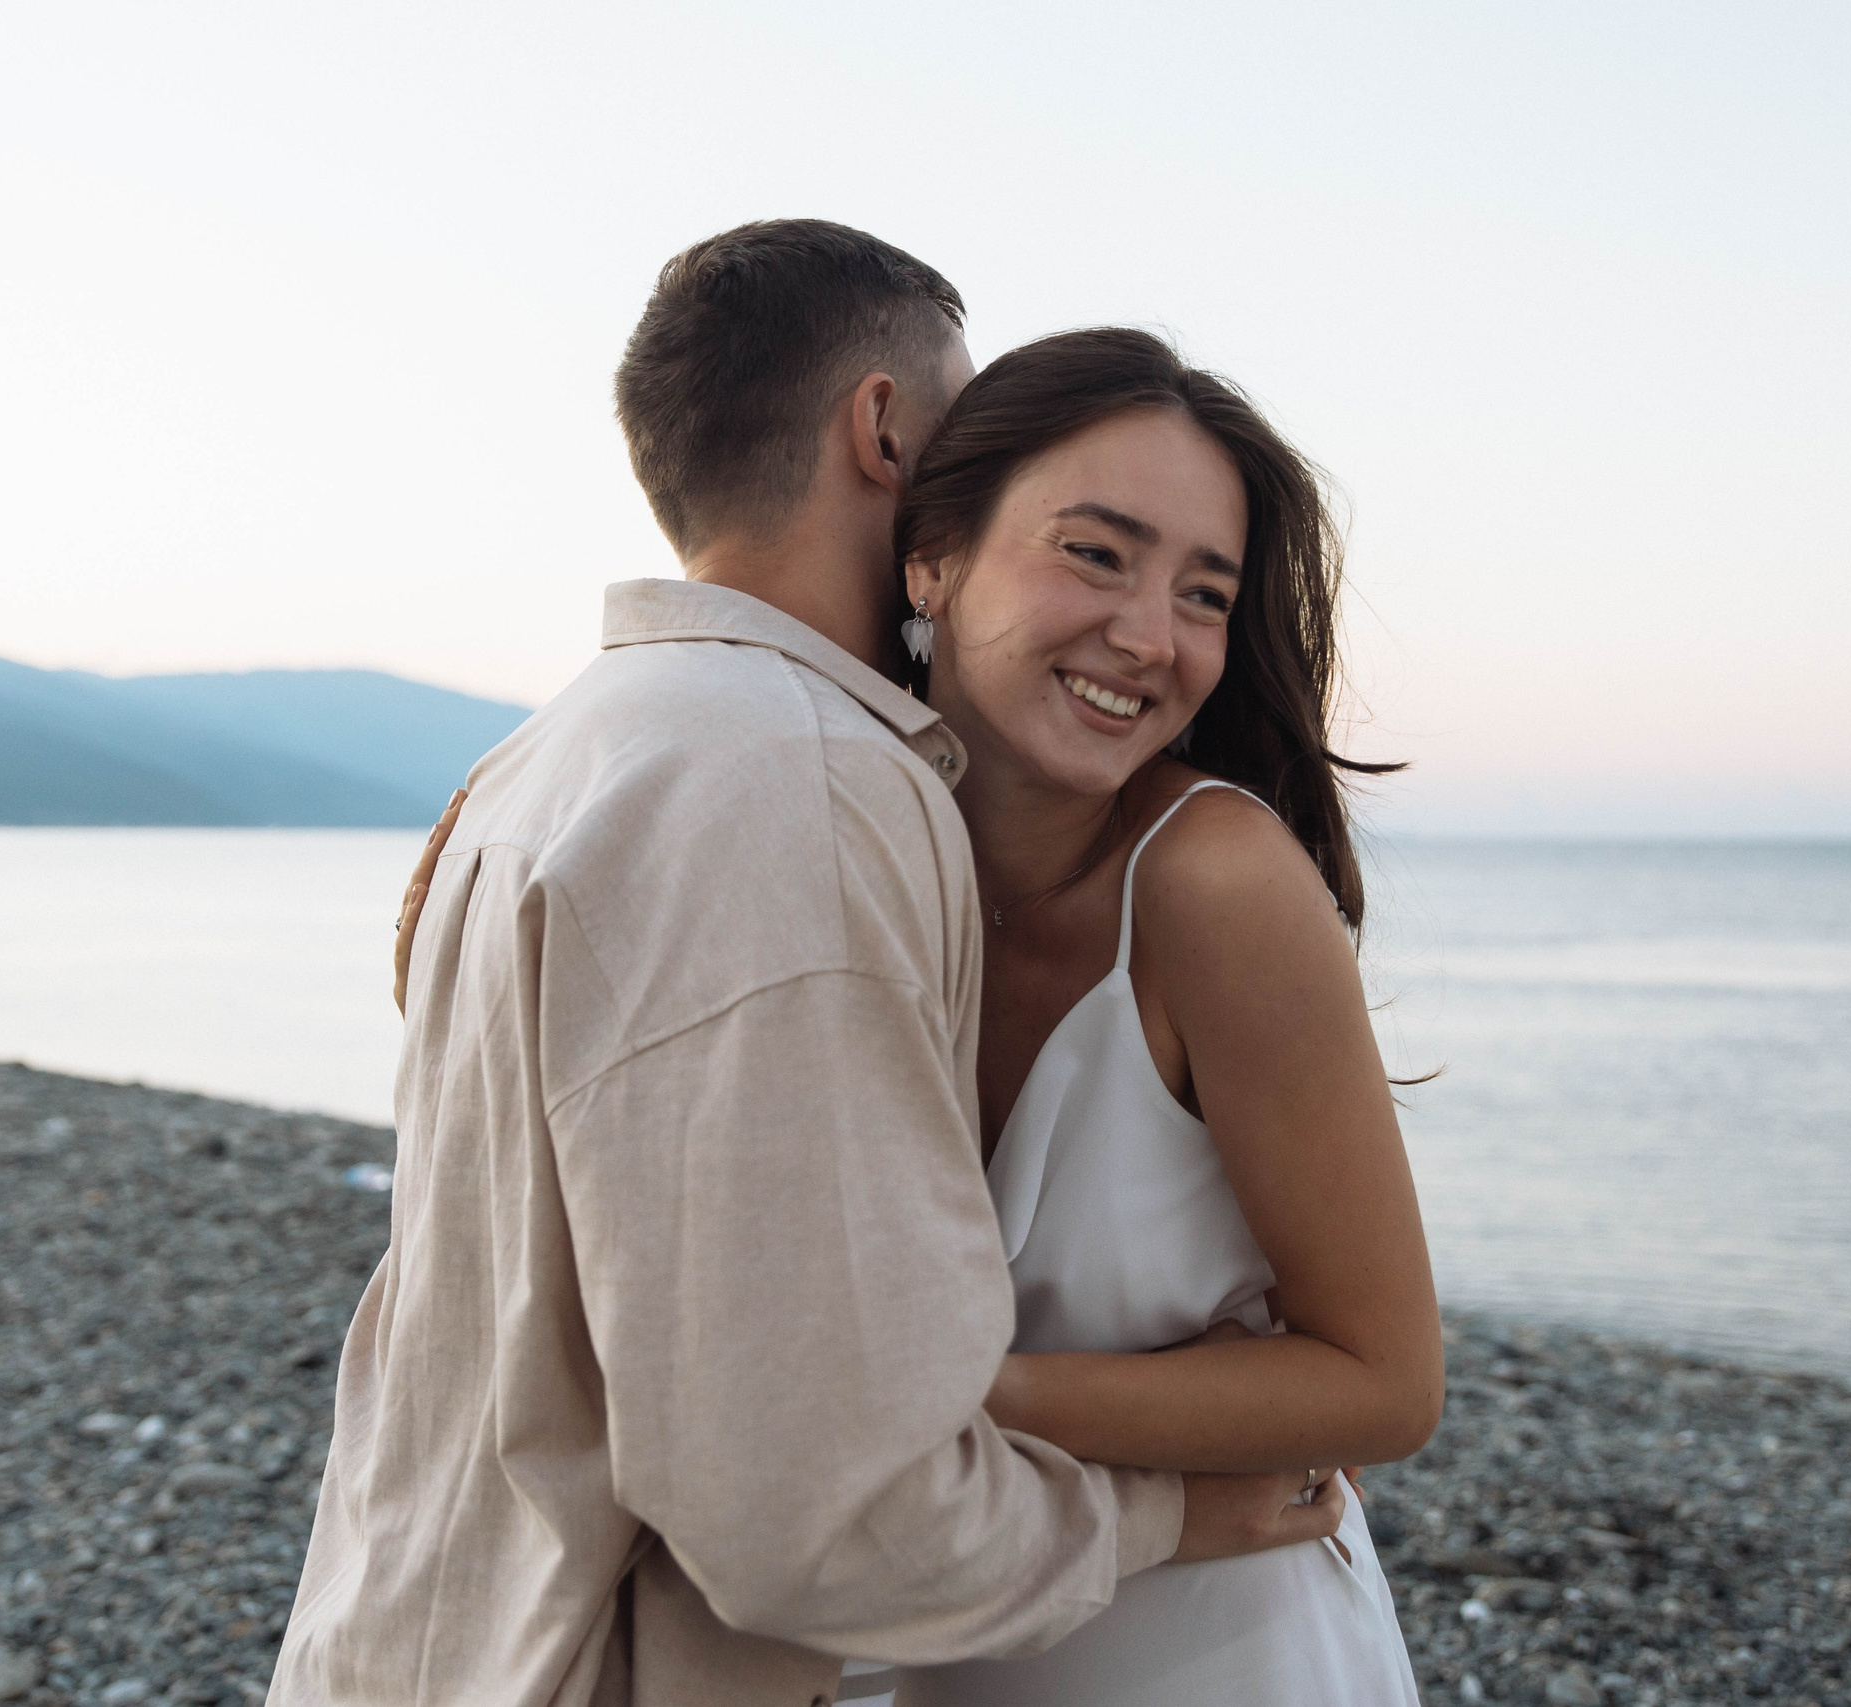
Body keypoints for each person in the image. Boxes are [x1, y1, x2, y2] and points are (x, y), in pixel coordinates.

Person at [273, 220, 1341, 1707]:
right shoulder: (797, 786)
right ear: (887, 431)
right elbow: (816, 1508)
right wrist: (1155, 1513)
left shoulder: (549, 758)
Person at [887, 327, 1441, 1704]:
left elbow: (1383, 1383)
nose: (1151, 637)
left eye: (1206, 593)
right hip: (949, 1628)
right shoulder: (853, 856)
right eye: (1097, 552)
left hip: (1219, 1639)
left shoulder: (1210, 883)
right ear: (931, 557)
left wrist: (952, 1400)